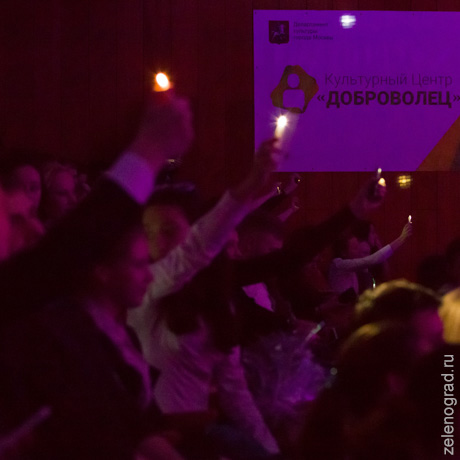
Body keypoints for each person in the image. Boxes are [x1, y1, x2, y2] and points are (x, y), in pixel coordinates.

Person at [0, 90, 194, 459]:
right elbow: (61, 253)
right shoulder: (37, 316)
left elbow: (124, 426)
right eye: (14, 219)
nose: (37, 228)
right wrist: (149, 151)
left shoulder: (61, 323)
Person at [328, 221, 412, 295]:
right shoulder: (339, 264)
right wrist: (401, 238)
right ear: (343, 252)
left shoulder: (350, 267)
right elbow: (372, 260)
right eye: (355, 248)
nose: (358, 251)